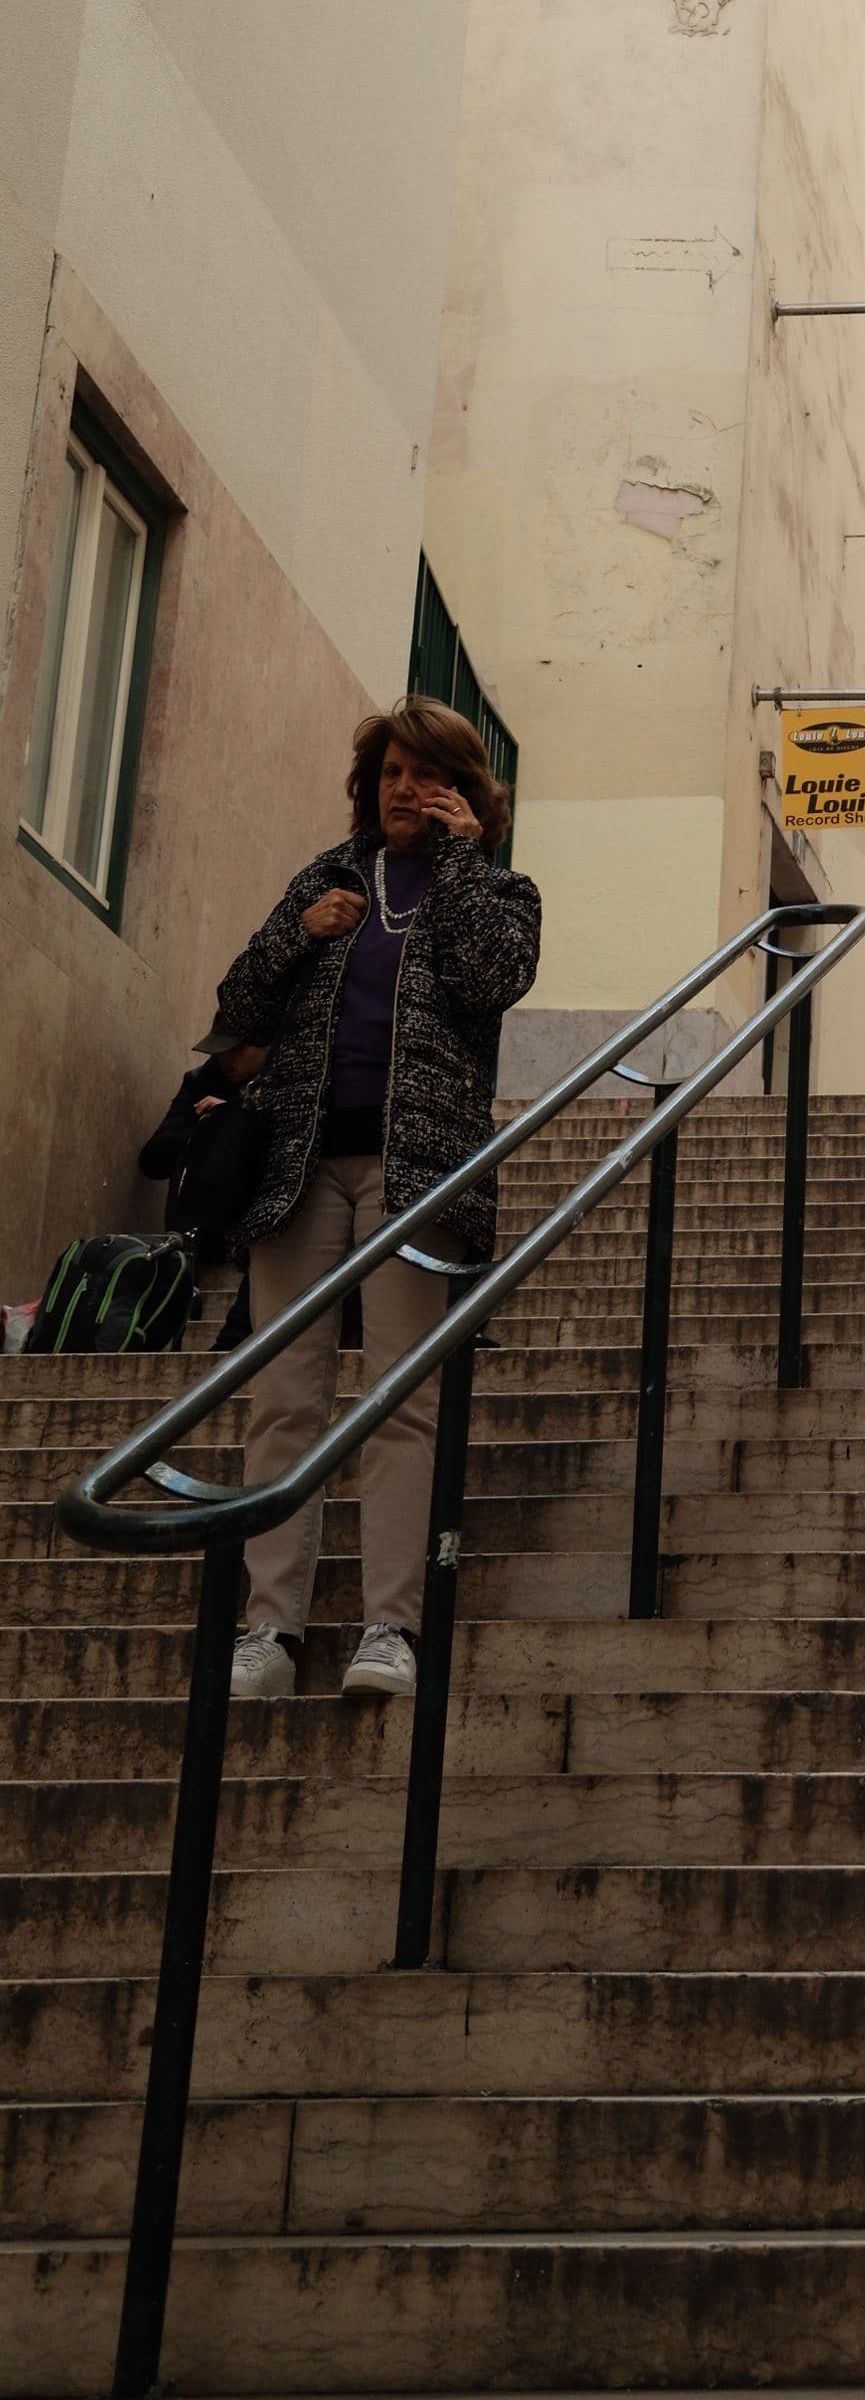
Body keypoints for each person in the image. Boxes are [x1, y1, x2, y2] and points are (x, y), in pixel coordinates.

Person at [208, 699, 541, 1703]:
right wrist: (300, 936)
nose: (405, 789)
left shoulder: (500, 891)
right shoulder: (324, 879)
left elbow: (494, 980)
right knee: (283, 1401)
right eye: (392, 772)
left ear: (467, 792)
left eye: (428, 775)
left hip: (418, 1175)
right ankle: (270, 1630)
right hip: (301, 1170)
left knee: (401, 1403)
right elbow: (237, 1015)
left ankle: (388, 1626)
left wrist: (463, 863)